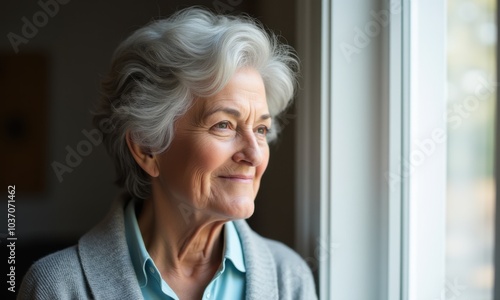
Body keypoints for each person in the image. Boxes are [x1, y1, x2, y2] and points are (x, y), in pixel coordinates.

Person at [18, 7, 317, 300]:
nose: (254, 154)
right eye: (224, 125)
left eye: (261, 130)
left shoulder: (289, 277)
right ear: (147, 147)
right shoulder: (57, 287)